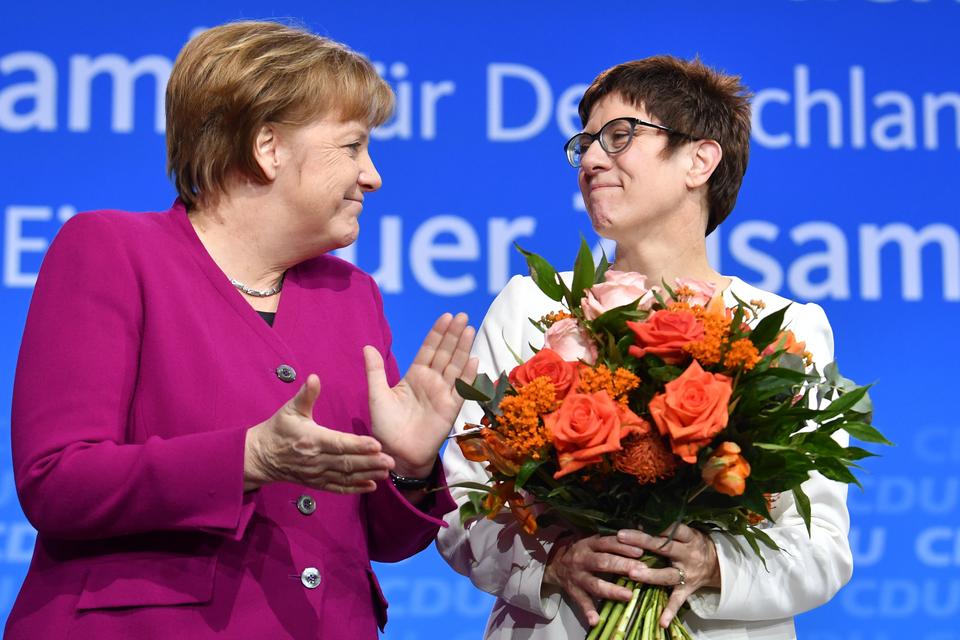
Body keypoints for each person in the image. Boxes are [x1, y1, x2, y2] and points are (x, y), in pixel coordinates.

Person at [7, 21, 477, 640]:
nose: (372, 176)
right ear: (267, 147)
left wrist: (409, 467)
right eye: (353, 146)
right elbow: (57, 481)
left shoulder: (352, 294)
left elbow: (380, 541)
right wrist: (248, 458)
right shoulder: (112, 250)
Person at [437, 56, 853, 639]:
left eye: (619, 136)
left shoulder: (782, 330)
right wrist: (549, 564)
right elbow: (463, 502)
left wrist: (715, 564)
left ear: (699, 160)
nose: (590, 160)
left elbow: (822, 547)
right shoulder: (528, 308)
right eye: (584, 143)